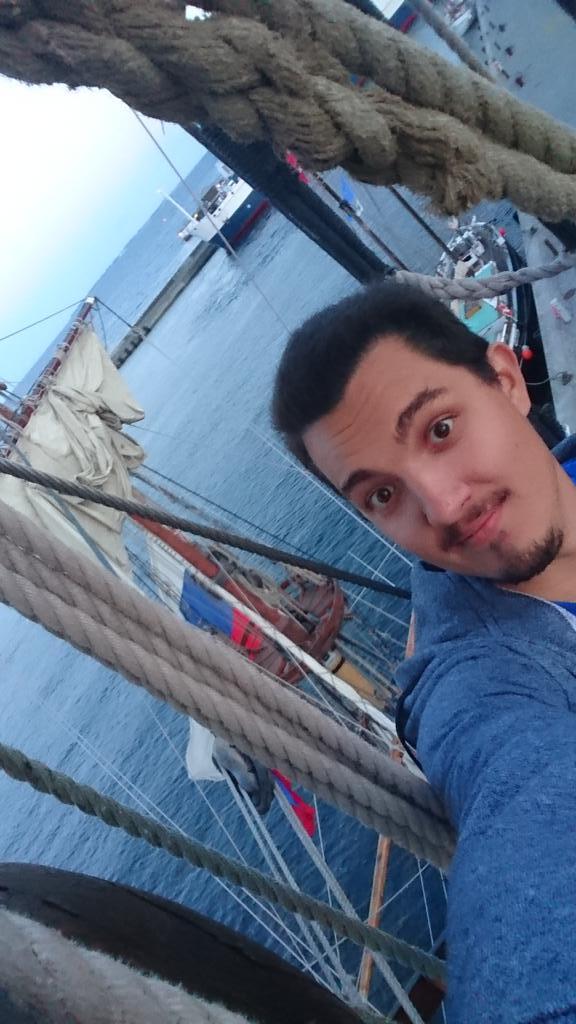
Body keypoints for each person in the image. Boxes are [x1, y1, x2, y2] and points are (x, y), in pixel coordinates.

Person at [271, 281, 576, 1024]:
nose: (442, 506)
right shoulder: (479, 684)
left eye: (440, 429)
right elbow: (513, 783)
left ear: (506, 381)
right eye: (382, 495)